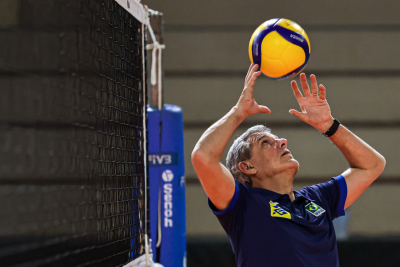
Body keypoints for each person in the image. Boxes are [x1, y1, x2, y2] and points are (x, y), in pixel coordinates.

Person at [191, 63, 386, 267]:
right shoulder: (243, 204)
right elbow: (203, 157)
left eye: (277, 139)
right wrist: (238, 112)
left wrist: (328, 125)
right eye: (265, 143)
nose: (282, 141)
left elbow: (372, 165)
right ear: (247, 168)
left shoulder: (319, 199)